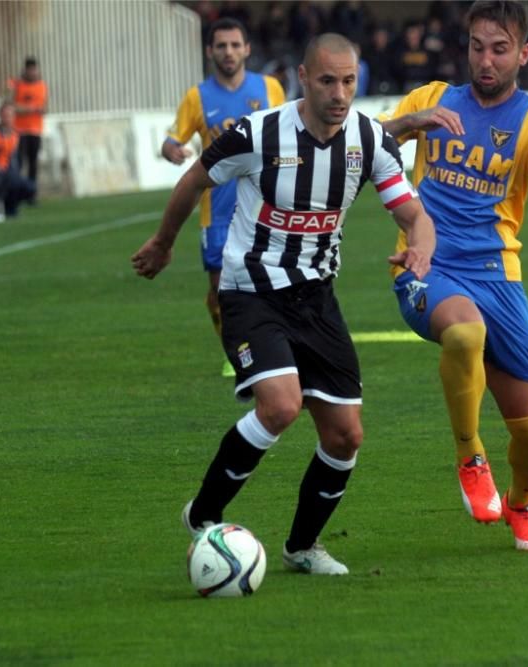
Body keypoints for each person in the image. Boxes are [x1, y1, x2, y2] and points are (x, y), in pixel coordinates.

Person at [132, 33, 436, 576]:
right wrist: (163, 241)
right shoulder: (259, 132)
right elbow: (194, 179)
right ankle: (204, 515)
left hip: (317, 298)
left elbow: (414, 215)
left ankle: (303, 547)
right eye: (327, 81)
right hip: (251, 291)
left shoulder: (368, 141)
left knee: (346, 435)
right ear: (302, 76)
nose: (340, 93)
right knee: (280, 406)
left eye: (349, 81)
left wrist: (419, 248)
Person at [380, 0, 528, 551]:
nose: (486, 60)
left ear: (522, 54)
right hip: (427, 265)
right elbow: (364, 146)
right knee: (463, 331)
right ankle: (470, 455)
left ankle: (524, 503)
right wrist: (411, 122)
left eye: (500, 49)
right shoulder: (432, 99)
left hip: (498, 276)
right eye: (478, 47)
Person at [162, 18, 286, 378]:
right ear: (209, 51)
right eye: (221, 46)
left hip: (267, 204)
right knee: (219, 292)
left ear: (247, 49)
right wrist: (171, 149)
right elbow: (173, 138)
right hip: (216, 211)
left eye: (235, 45)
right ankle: (237, 354)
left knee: (274, 282)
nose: (229, 52)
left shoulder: (270, 88)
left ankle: (271, 351)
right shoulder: (196, 97)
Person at [6, 57, 47, 197]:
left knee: (33, 162)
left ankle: (32, 192)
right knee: (19, 162)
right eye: (30, 69)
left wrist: (42, 110)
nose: (33, 72)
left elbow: (44, 106)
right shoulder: (18, 85)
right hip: (20, 130)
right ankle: (17, 192)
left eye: (35, 69)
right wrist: (30, 109)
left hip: (36, 130)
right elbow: (11, 106)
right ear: (26, 70)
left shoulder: (42, 85)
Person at [0, 102, 36, 218]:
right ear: (0, 116)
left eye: (10, 115)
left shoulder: (17, 134)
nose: (8, 118)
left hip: (11, 172)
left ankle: (11, 206)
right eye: (5, 115)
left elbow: (19, 157)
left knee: (30, 187)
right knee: (8, 181)